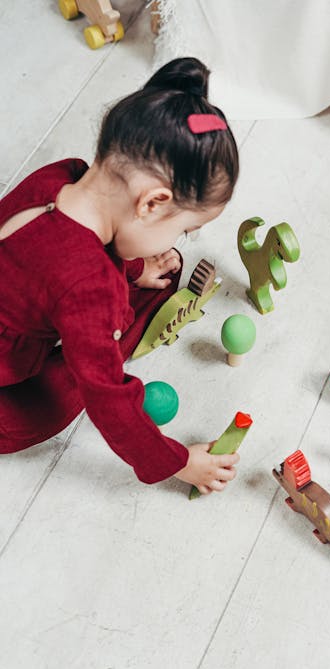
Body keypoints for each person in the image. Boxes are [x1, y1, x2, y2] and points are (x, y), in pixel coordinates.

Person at [0, 57, 240, 495]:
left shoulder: (61, 175)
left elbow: (49, 253)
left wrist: (131, 267)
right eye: (183, 229)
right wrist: (179, 461)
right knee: (58, 396)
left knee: (154, 278)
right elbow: (107, 396)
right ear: (151, 203)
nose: (180, 239)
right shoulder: (92, 288)